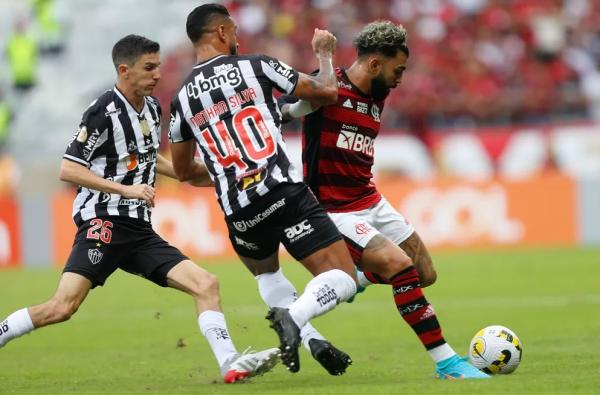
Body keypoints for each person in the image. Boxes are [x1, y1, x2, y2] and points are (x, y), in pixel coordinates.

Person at [0, 34, 280, 384]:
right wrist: (125, 189)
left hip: (138, 230)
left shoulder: (150, 108)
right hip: (102, 223)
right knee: (62, 307)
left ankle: (230, 364)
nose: (158, 74)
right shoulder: (102, 111)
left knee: (206, 283)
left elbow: (150, 158)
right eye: (149, 67)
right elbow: (68, 168)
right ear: (124, 70)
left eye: (158, 66)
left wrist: (209, 175)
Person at [278, 21, 490, 379]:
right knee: (400, 268)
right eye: (398, 70)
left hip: (370, 198)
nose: (400, 79)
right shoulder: (325, 86)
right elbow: (284, 110)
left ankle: (356, 278)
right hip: (334, 209)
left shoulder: (377, 92)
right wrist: (324, 58)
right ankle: (447, 363)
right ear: (375, 65)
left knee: (425, 273)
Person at [169, 4, 358, 374]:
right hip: (282, 193)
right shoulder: (257, 66)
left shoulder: (180, 100)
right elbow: (327, 93)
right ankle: (296, 317)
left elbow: (184, 171)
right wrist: (324, 54)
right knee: (343, 278)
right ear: (222, 32)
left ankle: (312, 339)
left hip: (238, 212)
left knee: (268, 274)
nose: (238, 37)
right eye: (234, 30)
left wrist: (229, 173)